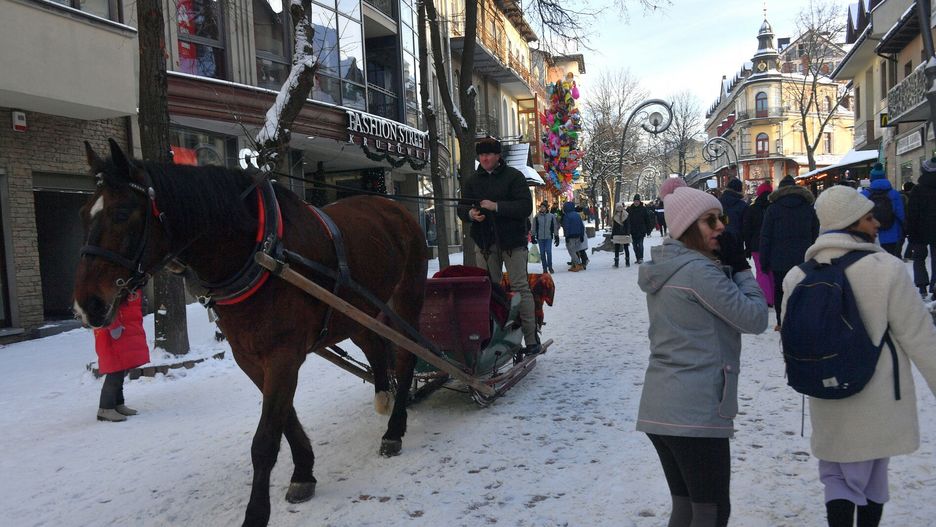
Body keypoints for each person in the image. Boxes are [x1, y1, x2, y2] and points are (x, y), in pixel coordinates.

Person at [781, 186, 936, 527]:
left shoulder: (798, 275)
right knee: (873, 477)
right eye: (868, 217)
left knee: (836, 474)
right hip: (877, 393)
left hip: (825, 390)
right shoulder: (886, 268)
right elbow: (920, 336)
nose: (877, 223)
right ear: (850, 222)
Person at [637, 184, 768, 527]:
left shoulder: (667, 265)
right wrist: (740, 268)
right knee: (711, 512)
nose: (721, 227)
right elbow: (755, 318)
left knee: (687, 508)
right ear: (688, 227)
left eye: (720, 217)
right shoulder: (699, 272)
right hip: (694, 410)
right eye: (711, 221)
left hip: (660, 406)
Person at [457, 136, 540, 355]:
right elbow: (462, 208)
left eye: (489, 154)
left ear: (498, 156)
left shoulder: (514, 177)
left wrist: (496, 207)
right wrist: (470, 214)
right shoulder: (472, 181)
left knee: (520, 287)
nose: (484, 158)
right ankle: (489, 338)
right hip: (484, 243)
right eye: (481, 155)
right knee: (486, 291)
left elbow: (524, 207)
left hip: (513, 242)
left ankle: (531, 338)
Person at [760, 175, 819, 330]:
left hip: (779, 259)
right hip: (803, 258)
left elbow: (766, 236)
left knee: (780, 290)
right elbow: (815, 233)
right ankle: (802, 320)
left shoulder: (772, 209)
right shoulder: (808, 208)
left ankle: (782, 321)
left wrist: (764, 261)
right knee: (802, 289)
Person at [93, 293, 150, 422]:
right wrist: (113, 324)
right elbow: (105, 304)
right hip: (113, 332)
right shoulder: (111, 279)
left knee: (121, 369)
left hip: (125, 328)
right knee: (115, 371)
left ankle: (118, 404)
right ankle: (105, 408)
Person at [861, 163, 905, 257]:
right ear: (885, 177)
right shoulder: (894, 194)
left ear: (871, 178)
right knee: (892, 261)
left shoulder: (864, 194)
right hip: (892, 233)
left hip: (870, 234)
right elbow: (900, 214)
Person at [742, 181, 774, 306]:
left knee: (761, 271)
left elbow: (747, 229)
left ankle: (766, 297)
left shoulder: (752, 209)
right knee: (771, 270)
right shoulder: (773, 208)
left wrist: (748, 247)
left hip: (756, 245)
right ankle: (774, 296)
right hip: (772, 244)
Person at [907, 158, 936, 299]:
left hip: (919, 231)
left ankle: (922, 286)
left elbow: (912, 213)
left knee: (919, 258)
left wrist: (910, 233)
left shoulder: (917, 190)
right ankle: (935, 286)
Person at [626, 194, 655, 264]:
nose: (636, 202)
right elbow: (627, 220)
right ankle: (638, 258)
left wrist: (648, 230)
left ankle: (641, 258)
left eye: (637, 201)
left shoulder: (643, 209)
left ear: (639, 201)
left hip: (641, 230)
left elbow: (647, 220)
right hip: (632, 230)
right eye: (635, 201)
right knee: (634, 246)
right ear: (633, 201)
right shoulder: (629, 209)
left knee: (640, 244)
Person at [532, 202, 559, 274]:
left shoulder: (551, 216)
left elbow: (554, 226)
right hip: (540, 237)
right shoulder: (537, 216)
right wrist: (532, 236)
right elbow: (534, 227)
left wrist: (556, 236)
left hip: (548, 237)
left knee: (548, 252)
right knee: (542, 253)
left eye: (543, 207)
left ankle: (550, 266)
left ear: (546, 208)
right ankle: (544, 268)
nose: (542, 208)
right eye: (541, 207)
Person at [561, 201, 586, 272]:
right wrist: (582, 235)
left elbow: (566, 227)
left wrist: (567, 236)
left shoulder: (567, 216)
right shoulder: (577, 215)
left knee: (571, 251)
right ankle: (574, 264)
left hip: (571, 235)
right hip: (578, 235)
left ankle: (578, 264)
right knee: (575, 250)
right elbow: (581, 226)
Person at [610, 203, 631, 268]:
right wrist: (612, 235)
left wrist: (628, 233)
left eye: (620, 207)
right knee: (620, 248)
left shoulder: (624, 214)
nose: (619, 208)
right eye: (618, 207)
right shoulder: (618, 215)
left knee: (623, 248)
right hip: (619, 234)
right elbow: (614, 227)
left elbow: (627, 225)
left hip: (621, 234)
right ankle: (620, 263)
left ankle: (624, 263)